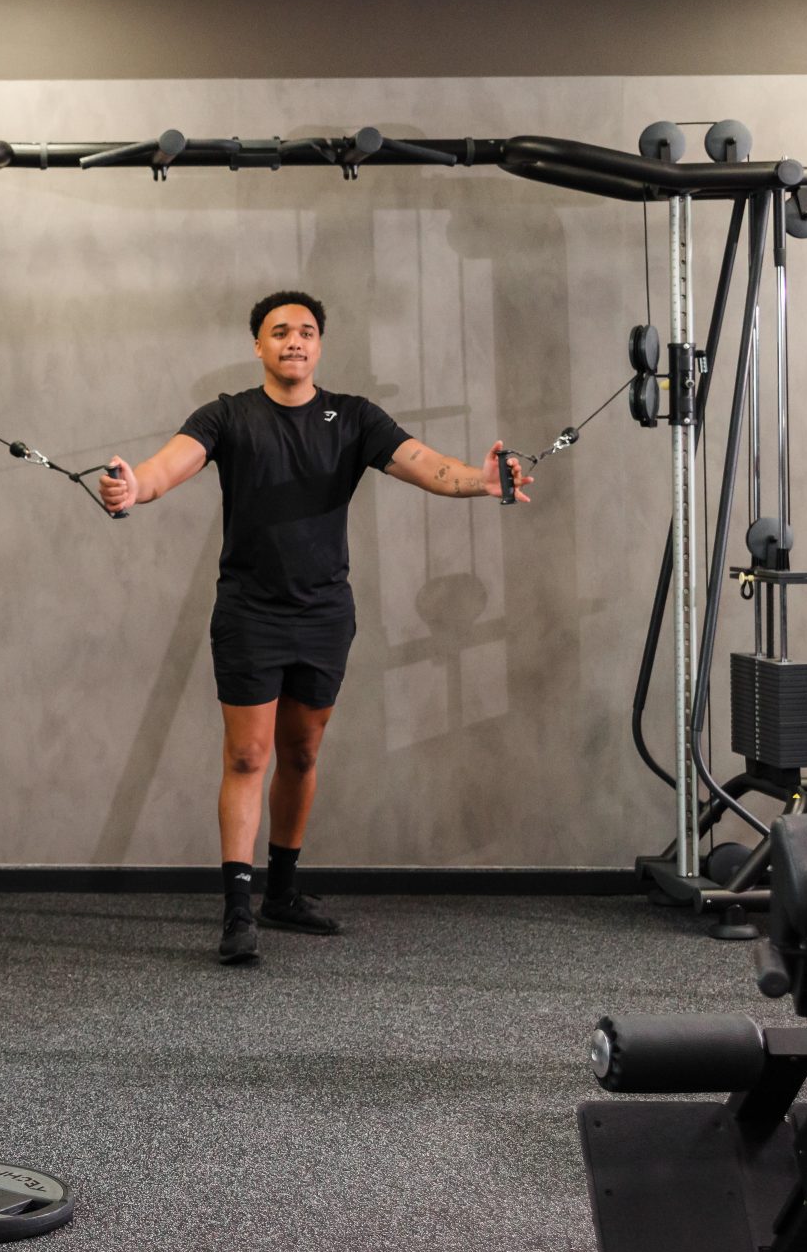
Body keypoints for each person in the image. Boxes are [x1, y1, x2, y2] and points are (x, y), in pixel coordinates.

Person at [98, 291, 529, 966]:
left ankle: (284, 893)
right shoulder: (228, 415)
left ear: (320, 344)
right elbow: (162, 470)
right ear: (259, 347)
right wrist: (132, 487)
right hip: (249, 611)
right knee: (247, 756)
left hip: (325, 613)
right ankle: (239, 910)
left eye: (304, 331)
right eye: (278, 332)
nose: (292, 341)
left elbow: (428, 467)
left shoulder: (354, 418)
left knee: (301, 752)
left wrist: (481, 481)